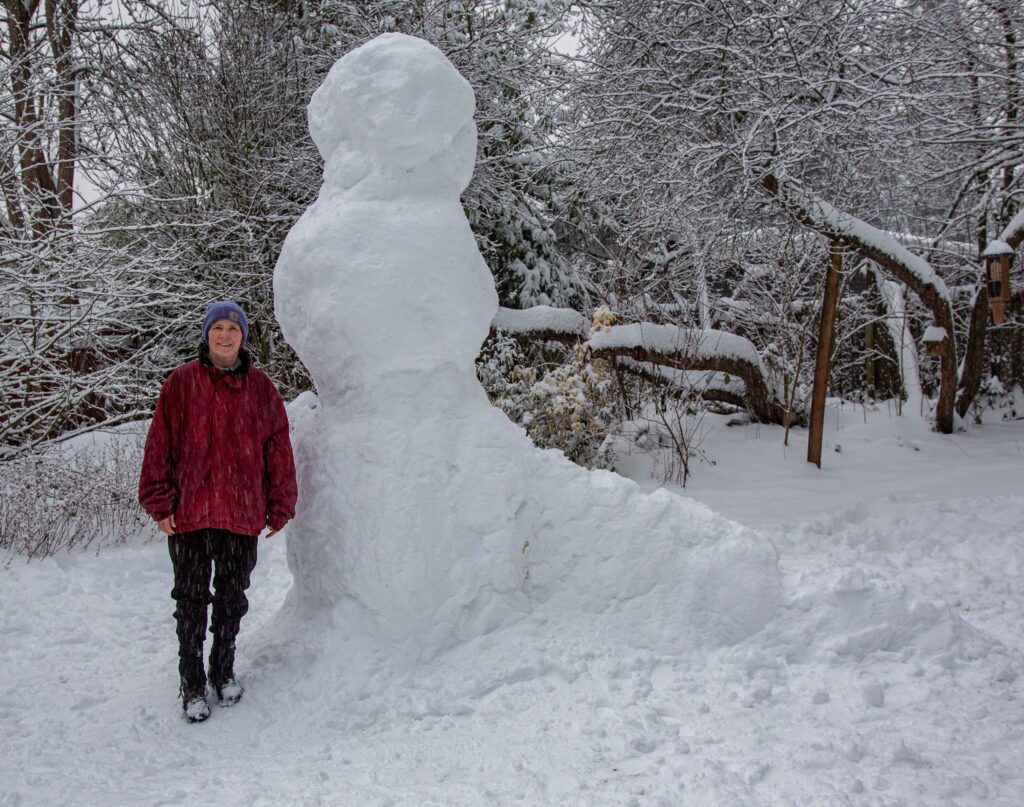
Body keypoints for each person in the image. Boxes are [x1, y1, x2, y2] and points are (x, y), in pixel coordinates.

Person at [138, 301, 297, 723]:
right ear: (206, 335)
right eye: (217, 328)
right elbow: (160, 446)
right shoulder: (181, 384)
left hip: (242, 514)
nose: (224, 335)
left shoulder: (261, 389)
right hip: (190, 515)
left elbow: (278, 448)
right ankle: (191, 682)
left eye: (233, 328)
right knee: (191, 601)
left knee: (231, 598)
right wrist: (158, 500)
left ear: (243, 337)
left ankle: (222, 670)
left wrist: (280, 504)